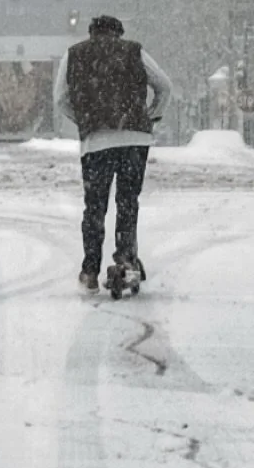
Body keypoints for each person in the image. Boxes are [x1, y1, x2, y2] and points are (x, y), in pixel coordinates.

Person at [52, 15, 173, 289]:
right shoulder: (134, 50)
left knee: (95, 207)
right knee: (127, 203)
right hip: (134, 139)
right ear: (118, 33)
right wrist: (151, 115)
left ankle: (90, 270)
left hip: (96, 143)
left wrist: (84, 118)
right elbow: (164, 86)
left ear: (92, 33)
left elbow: (60, 98)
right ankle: (126, 260)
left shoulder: (74, 55)